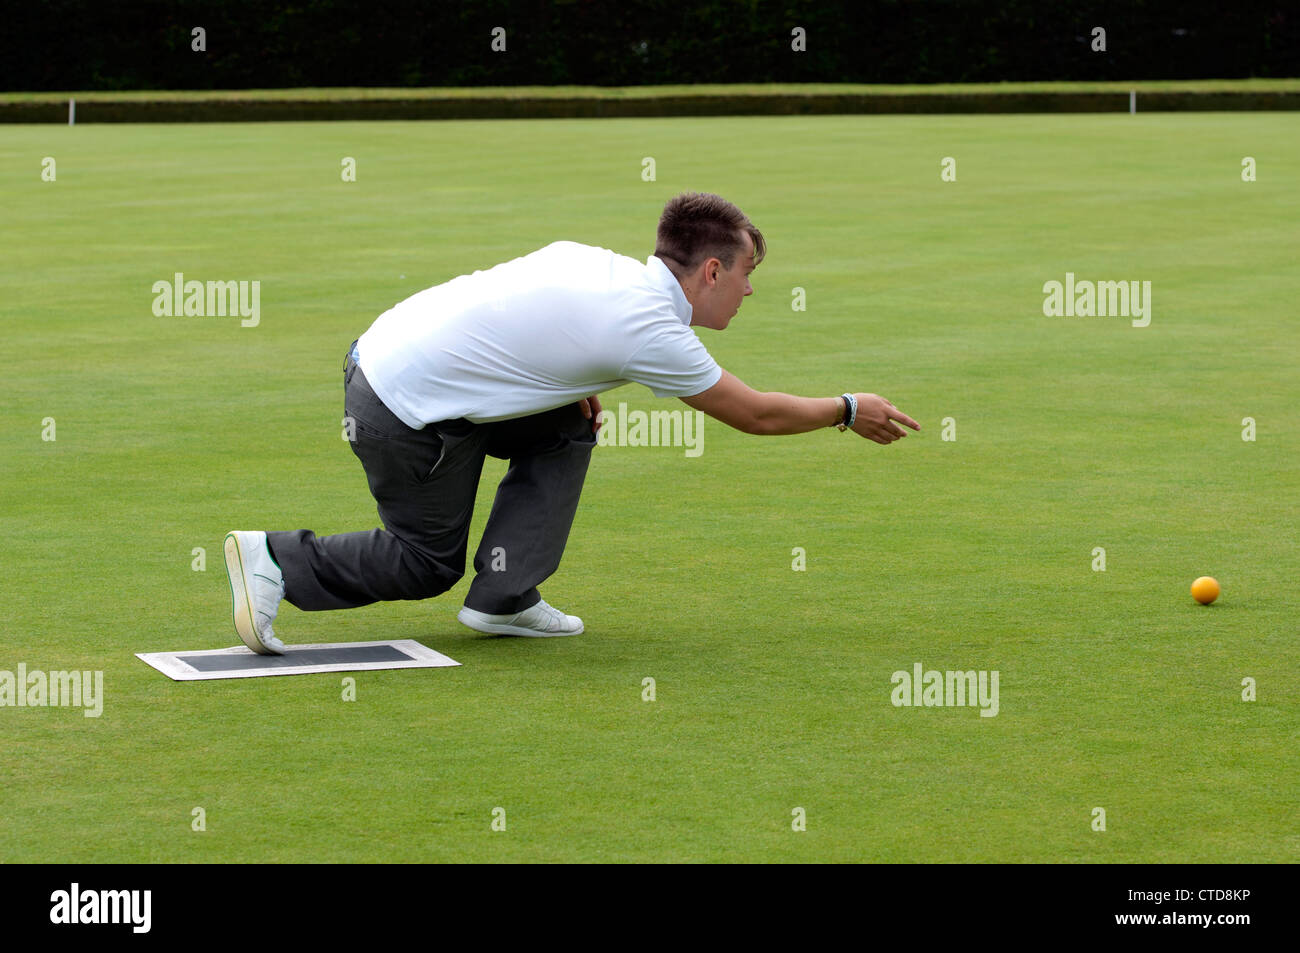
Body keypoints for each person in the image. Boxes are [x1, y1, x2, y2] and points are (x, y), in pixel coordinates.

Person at [223, 192, 920, 654]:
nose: (749, 290)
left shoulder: (601, 264)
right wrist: (848, 409)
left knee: (569, 424)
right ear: (711, 270)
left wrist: (565, 387)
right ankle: (278, 559)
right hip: (401, 407)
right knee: (425, 562)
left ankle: (503, 594)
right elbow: (757, 414)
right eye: (745, 274)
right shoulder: (652, 330)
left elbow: (521, 318)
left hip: (384, 357)